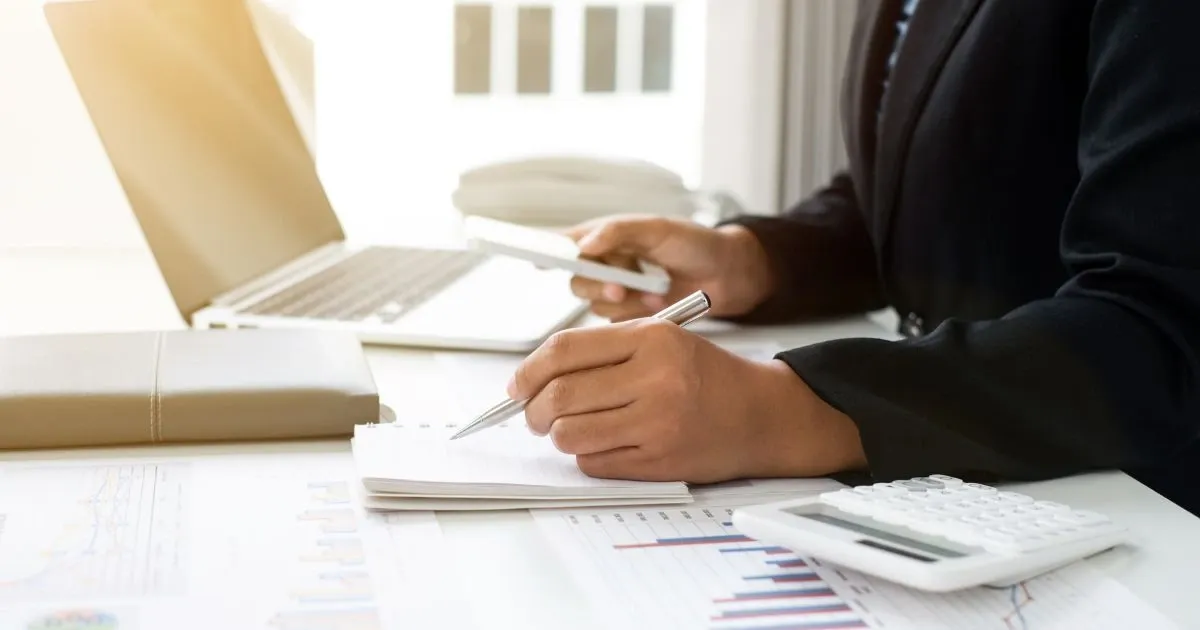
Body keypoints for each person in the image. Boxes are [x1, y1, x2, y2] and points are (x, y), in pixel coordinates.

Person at [506, 0, 1200, 516]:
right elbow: (920, 192)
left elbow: (1158, 323)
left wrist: (783, 411)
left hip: (1141, 515)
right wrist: (753, 261)